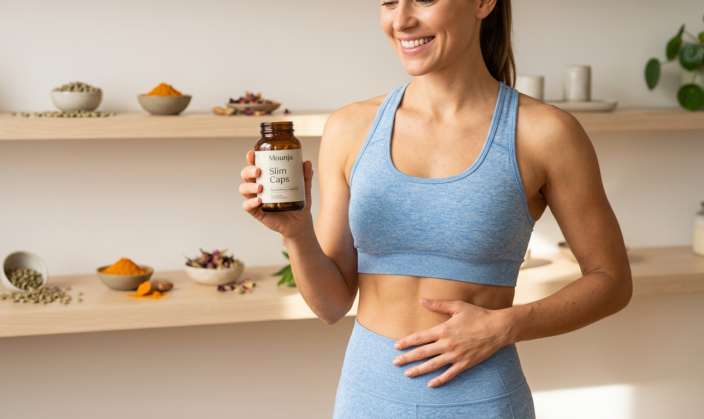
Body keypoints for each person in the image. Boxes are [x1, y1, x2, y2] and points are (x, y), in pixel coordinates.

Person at [239, 0, 632, 417]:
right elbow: (331, 305)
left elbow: (611, 281)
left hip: (481, 401)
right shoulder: (349, 128)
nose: (401, 20)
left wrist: (505, 326)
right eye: (389, 1)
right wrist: (295, 233)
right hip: (367, 397)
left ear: (483, 3)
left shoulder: (545, 132)